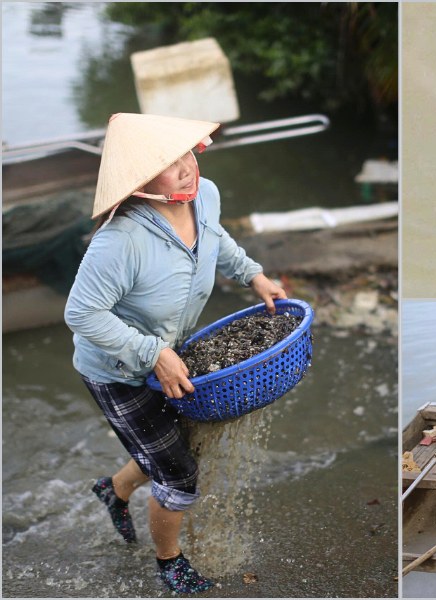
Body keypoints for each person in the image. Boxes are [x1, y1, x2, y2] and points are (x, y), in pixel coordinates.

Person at [64, 112, 286, 594]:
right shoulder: (119, 242)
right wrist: (153, 354)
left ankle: (113, 489)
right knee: (180, 473)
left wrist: (254, 274)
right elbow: (82, 315)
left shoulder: (205, 195)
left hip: (170, 351)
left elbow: (217, 240)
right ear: (141, 182)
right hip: (118, 369)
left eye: (185, 152)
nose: (185, 167)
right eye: (168, 163)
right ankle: (170, 562)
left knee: (169, 445)